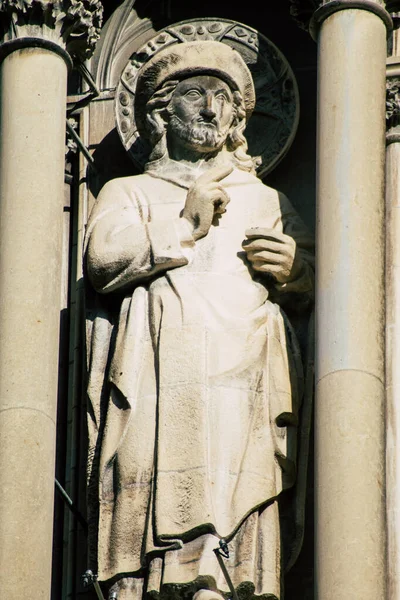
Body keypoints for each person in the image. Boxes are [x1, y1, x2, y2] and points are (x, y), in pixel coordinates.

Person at [84, 41, 314, 600]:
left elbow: (319, 284)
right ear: (163, 112)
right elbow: (103, 262)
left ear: (239, 117)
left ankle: (234, 574)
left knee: (242, 485)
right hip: (163, 371)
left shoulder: (267, 201)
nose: (212, 110)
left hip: (247, 374)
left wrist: (296, 270)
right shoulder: (132, 190)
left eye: (224, 99)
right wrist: (183, 223)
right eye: (195, 96)